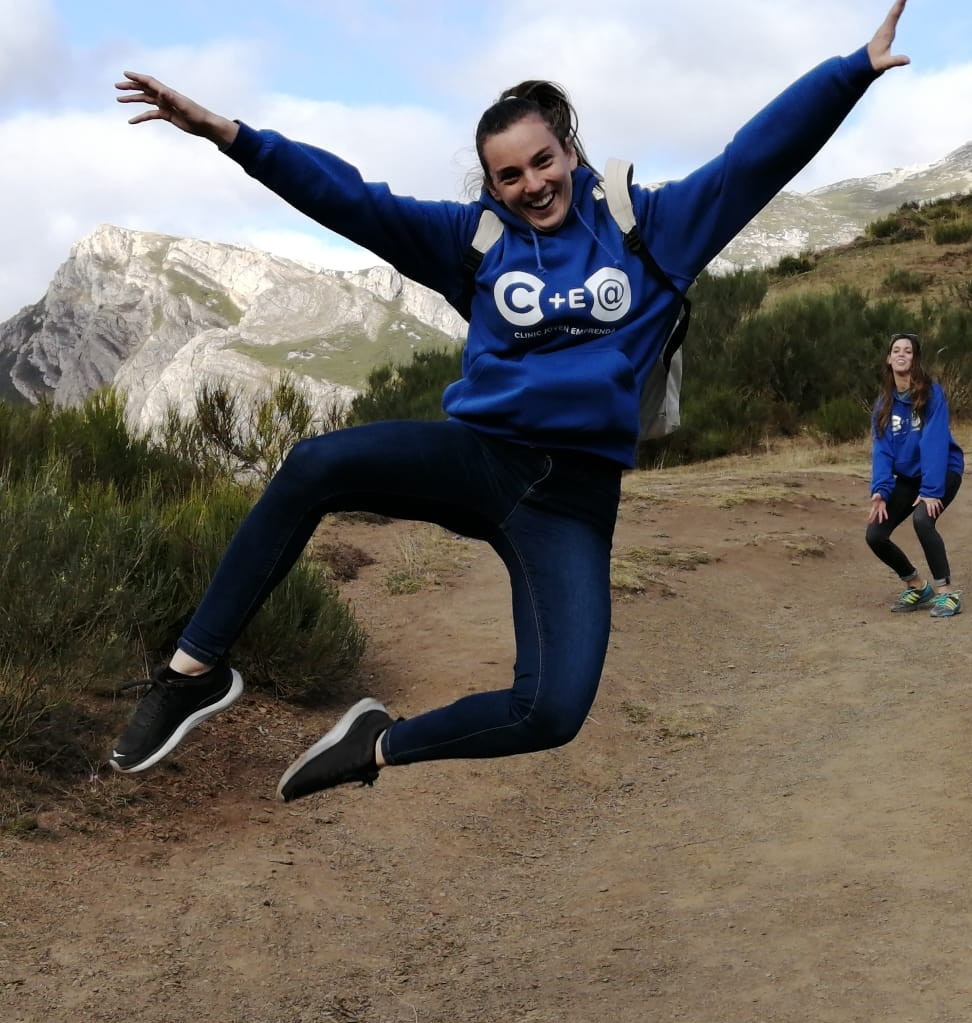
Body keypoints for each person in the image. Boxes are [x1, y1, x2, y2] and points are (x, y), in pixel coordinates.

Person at [109, 2, 913, 801]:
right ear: (491, 183)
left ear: (569, 150)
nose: (532, 185)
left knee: (552, 710)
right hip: (480, 460)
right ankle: (192, 673)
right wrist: (230, 135)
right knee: (315, 463)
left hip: (572, 501)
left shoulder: (651, 228)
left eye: (542, 161)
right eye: (510, 175)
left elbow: (756, 159)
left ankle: (375, 746)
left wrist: (851, 73)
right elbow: (350, 199)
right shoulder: (474, 242)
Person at [865, 332, 965, 617]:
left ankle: (947, 594)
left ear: (915, 358)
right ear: (888, 358)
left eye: (907, 351)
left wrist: (932, 490)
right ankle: (918, 587)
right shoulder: (883, 405)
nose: (901, 354)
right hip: (910, 478)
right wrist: (880, 491)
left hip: (943, 471)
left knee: (923, 519)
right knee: (875, 534)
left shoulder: (931, 394)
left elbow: (934, 442)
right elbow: (882, 450)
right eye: (896, 350)